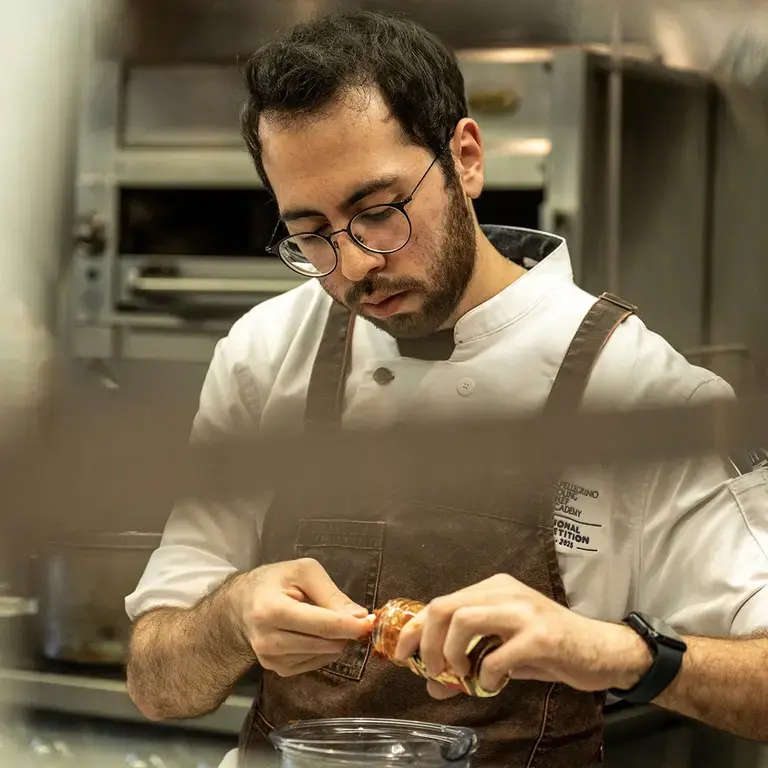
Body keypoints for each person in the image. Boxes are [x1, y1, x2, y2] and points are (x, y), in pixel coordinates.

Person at [124, 10, 768, 767]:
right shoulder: (265, 353)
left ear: (465, 157)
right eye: (310, 233)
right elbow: (157, 682)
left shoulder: (637, 390)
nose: (354, 265)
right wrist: (230, 618)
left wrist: (613, 651)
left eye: (378, 211)